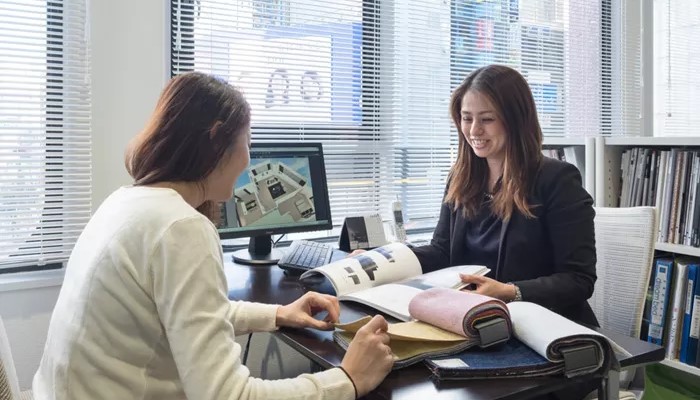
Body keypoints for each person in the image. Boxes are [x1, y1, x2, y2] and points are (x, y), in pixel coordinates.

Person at [33, 72, 394, 400]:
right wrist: (348, 378)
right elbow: (227, 395)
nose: (248, 159)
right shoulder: (181, 227)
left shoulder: (127, 201)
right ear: (217, 140)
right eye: (247, 142)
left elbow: (194, 315)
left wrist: (279, 313)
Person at [411, 65, 597, 399]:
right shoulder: (461, 178)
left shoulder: (556, 180)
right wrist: (384, 260)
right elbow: (440, 251)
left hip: (544, 337)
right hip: (479, 327)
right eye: (466, 118)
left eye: (487, 118)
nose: (474, 129)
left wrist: (509, 291)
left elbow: (579, 279)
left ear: (515, 119)